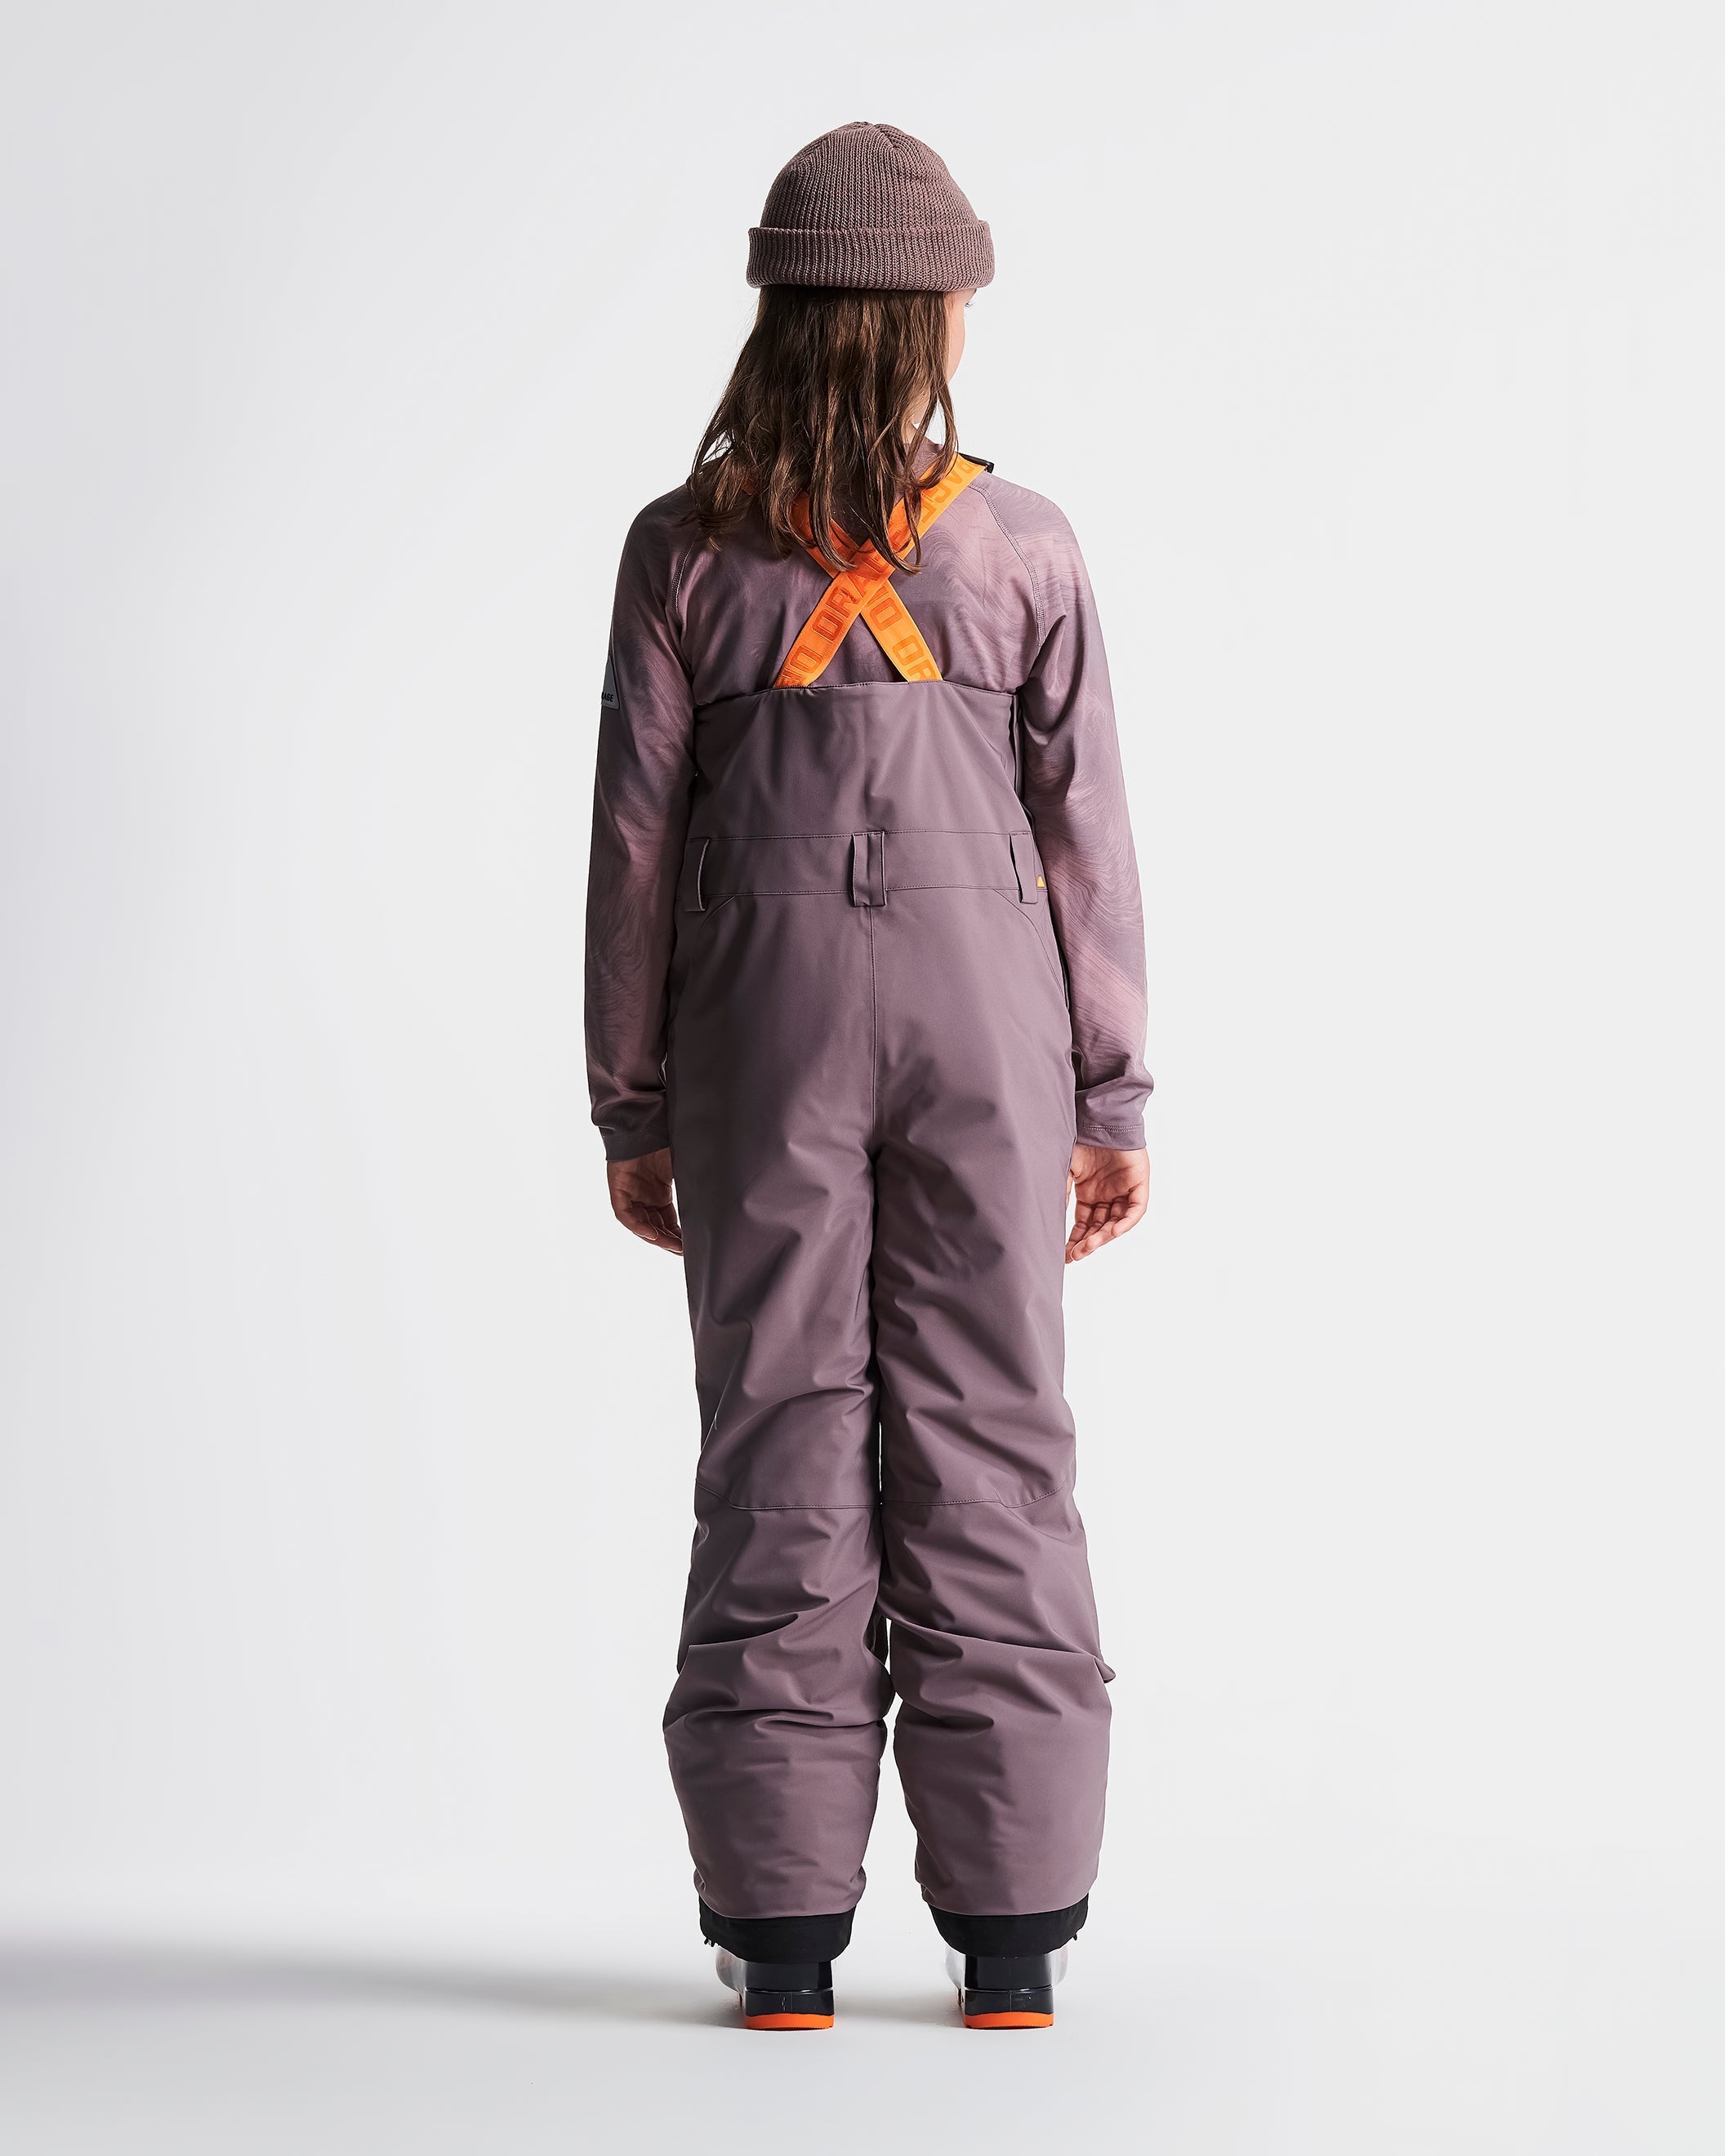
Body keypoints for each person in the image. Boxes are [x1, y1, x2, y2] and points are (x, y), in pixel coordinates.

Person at [585, 122, 1151, 2031]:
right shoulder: (1025, 545)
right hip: (994, 1037)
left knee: (778, 1443)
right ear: (936, 317)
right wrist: (1111, 1095)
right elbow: (1086, 841)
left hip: (760, 1039)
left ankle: (782, 1948)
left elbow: (638, 851)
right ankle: (1014, 1941)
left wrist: (633, 1100)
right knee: (995, 1439)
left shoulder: (681, 550)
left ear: (782, 315)